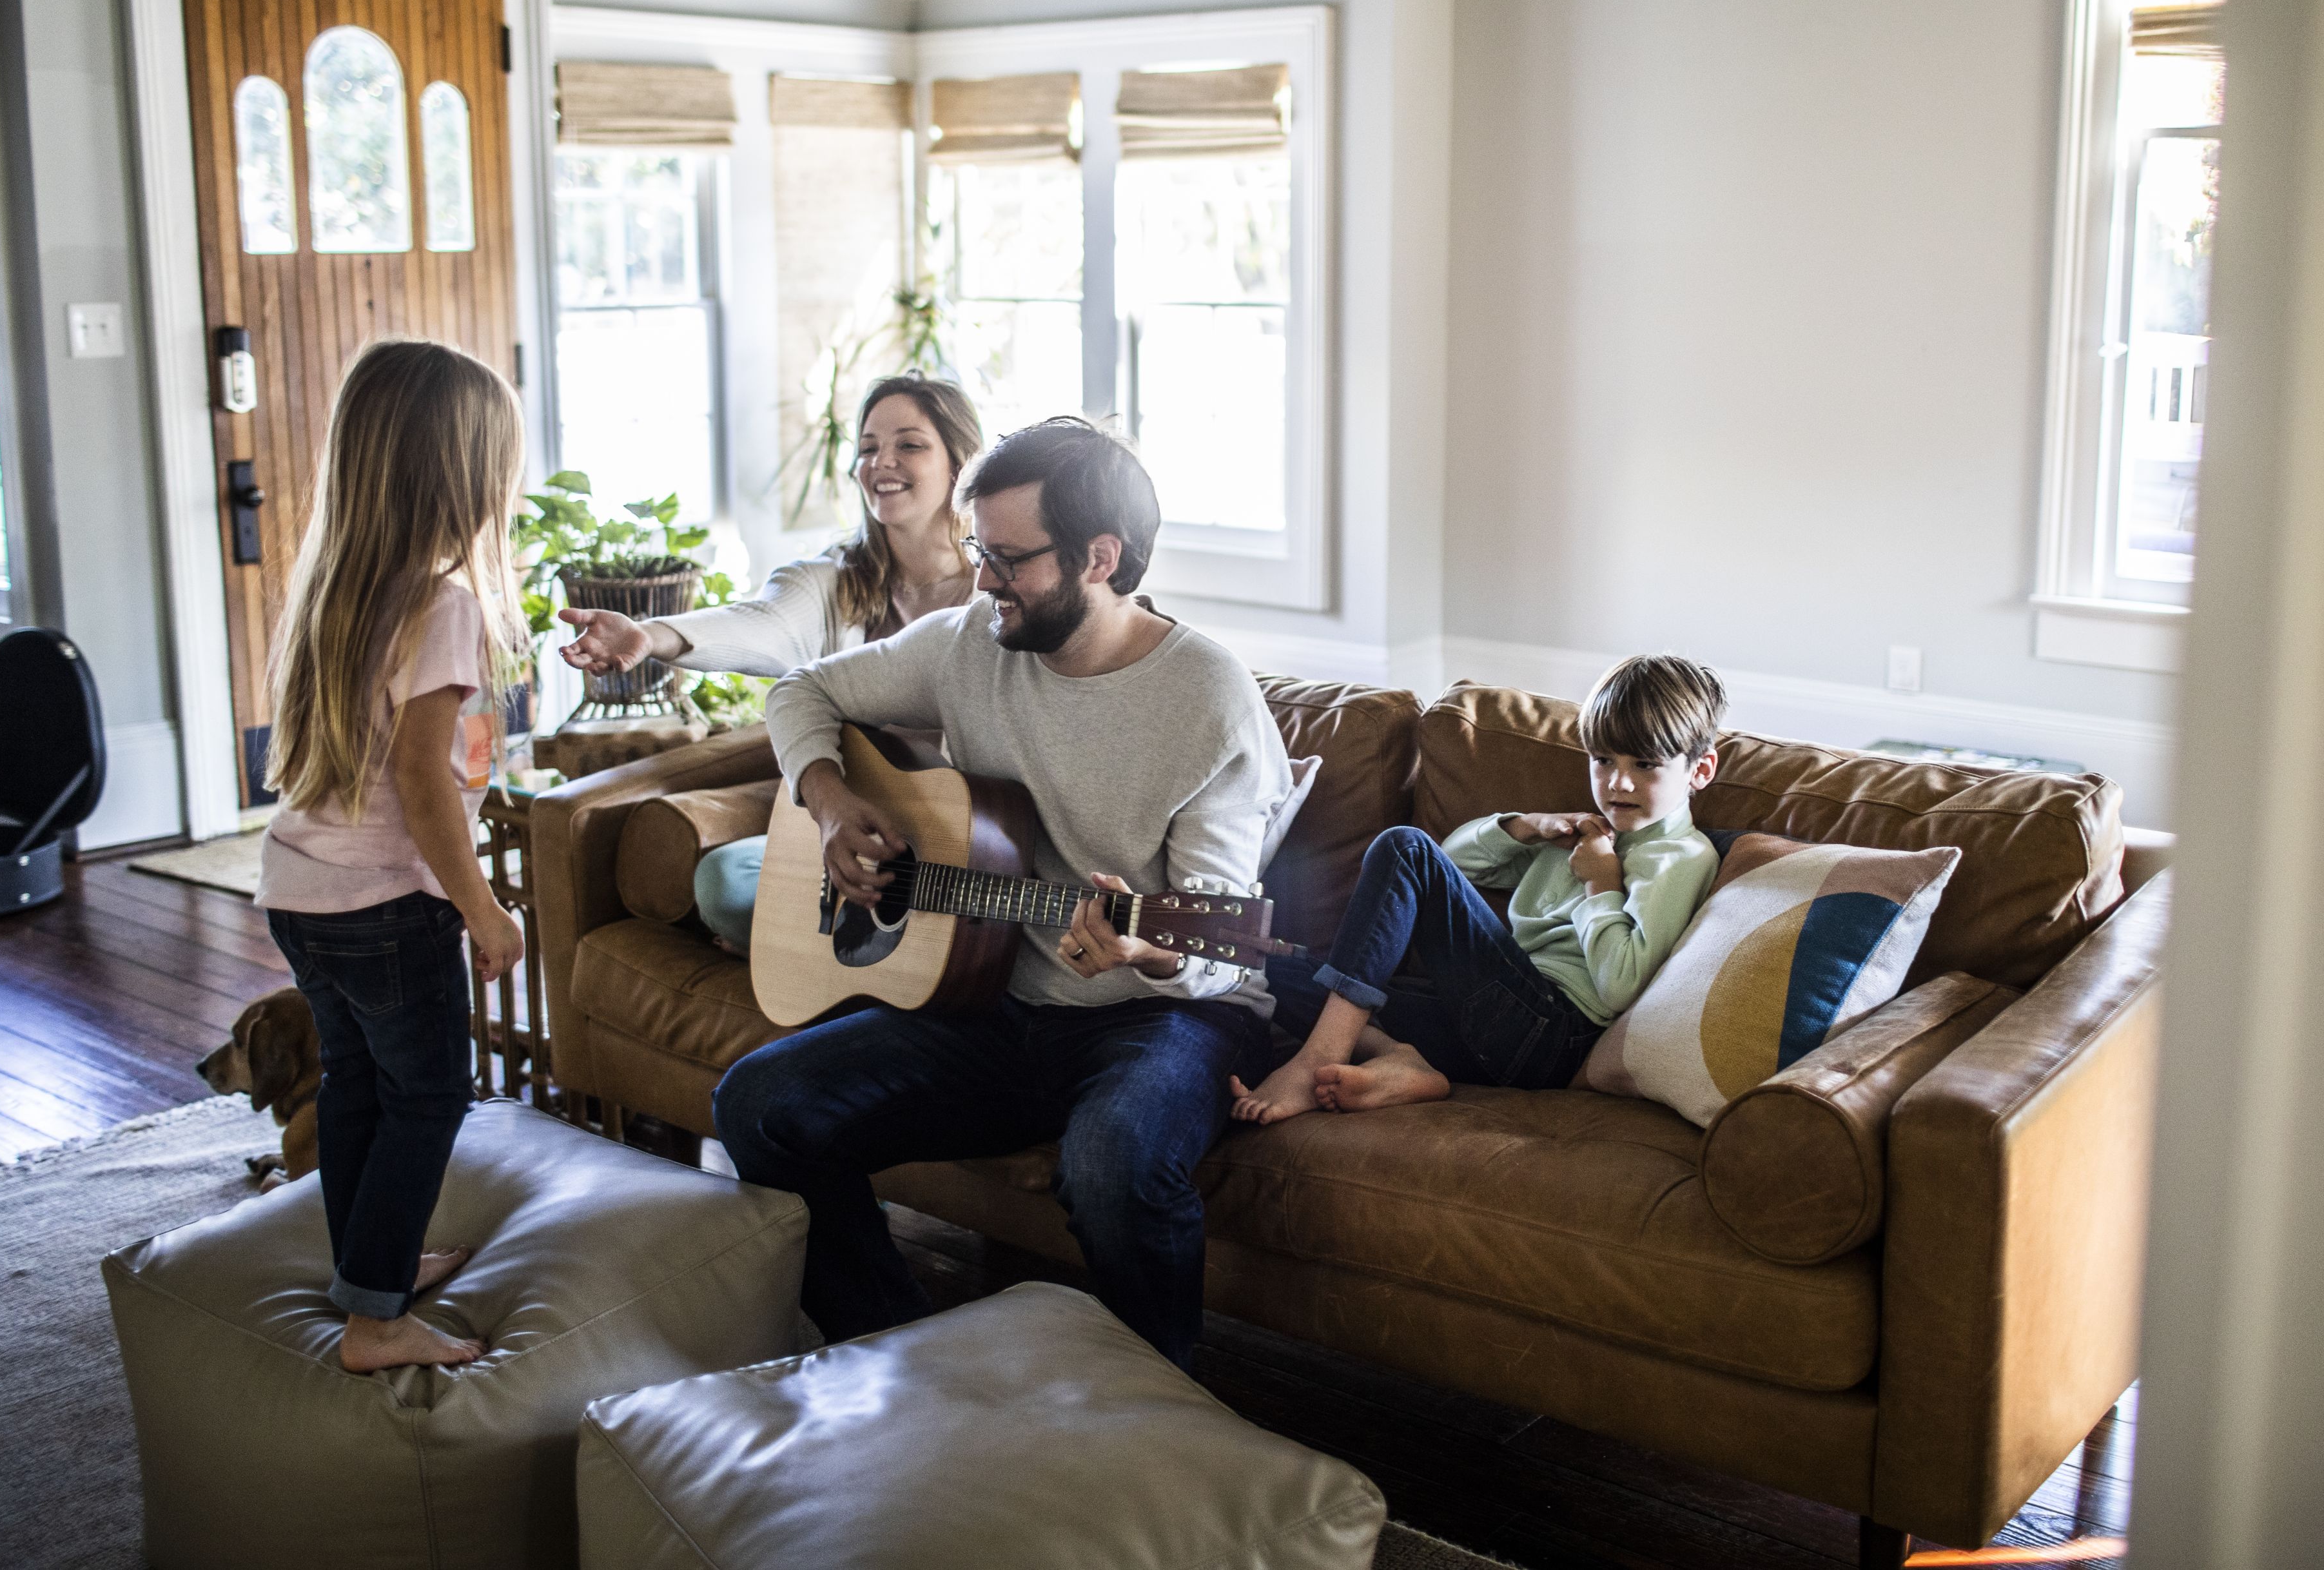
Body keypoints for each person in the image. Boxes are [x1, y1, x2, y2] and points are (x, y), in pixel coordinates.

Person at [713, 417, 1295, 1369]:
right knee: (759, 1102)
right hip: (996, 1004)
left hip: (1162, 1015)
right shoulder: (967, 644)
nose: (983, 580)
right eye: (979, 550)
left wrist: (1147, 946)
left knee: (1112, 1163)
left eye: (1010, 559)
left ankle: (1158, 1422)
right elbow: (799, 693)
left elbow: (1218, 940)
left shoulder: (1207, 698)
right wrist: (827, 804)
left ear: (1099, 557)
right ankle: (899, 1355)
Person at [251, 339, 532, 1373]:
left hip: (301, 892)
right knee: (431, 1094)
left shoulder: (333, 587)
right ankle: (375, 1323)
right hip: (383, 905)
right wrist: (484, 906)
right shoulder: (440, 604)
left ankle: (369, 1267)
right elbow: (423, 784)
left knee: (361, 1084)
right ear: (458, 477)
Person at [554, 377, 982, 953]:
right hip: (847, 836)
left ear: (960, 465)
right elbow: (760, 621)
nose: (882, 462)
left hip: (962, 844)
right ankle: (821, 943)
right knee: (724, 882)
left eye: (910, 445)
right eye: (867, 447)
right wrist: (651, 634)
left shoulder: (997, 594)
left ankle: (806, 944)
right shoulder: (835, 580)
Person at [1230, 654, 1725, 1124]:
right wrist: (1526, 828)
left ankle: (1317, 1056)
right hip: (1483, 1022)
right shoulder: (1580, 834)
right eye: (1602, 759)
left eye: (1645, 764)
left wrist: (1601, 885)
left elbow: (1619, 985)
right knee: (1258, 965)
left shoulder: (1680, 857)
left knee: (1404, 847)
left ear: (1699, 770)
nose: (1618, 781)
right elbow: (1452, 865)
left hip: (1552, 1033)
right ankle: (1401, 1059)